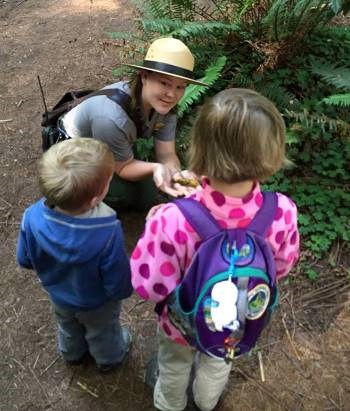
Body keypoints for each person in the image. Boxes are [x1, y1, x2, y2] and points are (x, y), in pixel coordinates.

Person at [130, 88, 300, 411]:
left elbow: (147, 286)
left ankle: (170, 404)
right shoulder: (282, 212)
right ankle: (207, 402)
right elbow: (282, 266)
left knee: (174, 364)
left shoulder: (172, 220)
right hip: (233, 323)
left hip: (180, 326)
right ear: (273, 151)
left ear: (201, 147)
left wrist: (151, 228)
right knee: (218, 363)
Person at [16, 138, 132, 372]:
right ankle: (109, 359)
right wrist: (122, 292)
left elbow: (24, 259)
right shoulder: (107, 231)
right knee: (103, 331)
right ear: (94, 200)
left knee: (67, 324)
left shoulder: (31, 216)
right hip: (97, 301)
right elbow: (117, 278)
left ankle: (72, 354)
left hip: (58, 294)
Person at [60, 37, 206, 211]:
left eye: (180, 87)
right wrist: (156, 168)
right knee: (121, 193)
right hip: (78, 147)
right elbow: (123, 168)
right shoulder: (111, 118)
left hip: (113, 139)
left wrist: (177, 176)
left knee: (147, 194)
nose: (172, 94)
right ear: (144, 76)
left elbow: (166, 153)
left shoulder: (165, 108)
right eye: (165, 83)